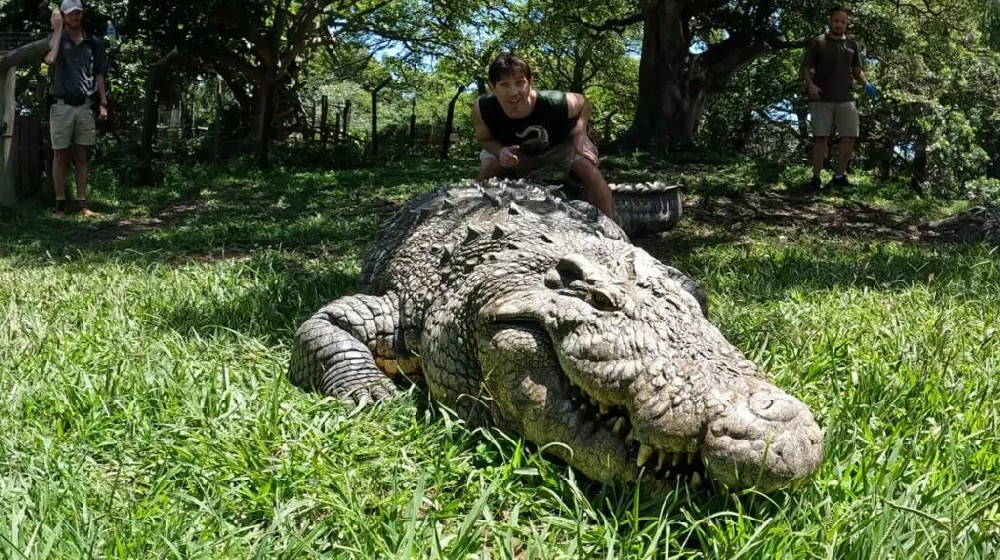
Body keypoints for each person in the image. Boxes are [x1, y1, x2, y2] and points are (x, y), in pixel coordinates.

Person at [473, 53, 614, 218]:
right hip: (515, 152)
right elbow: (484, 138)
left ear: (531, 82)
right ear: (493, 87)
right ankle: (480, 218)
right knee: (487, 168)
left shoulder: (554, 102)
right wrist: (500, 152)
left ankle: (609, 227)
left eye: (520, 83)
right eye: (504, 84)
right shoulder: (483, 107)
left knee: (589, 172)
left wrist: (580, 132)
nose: (513, 92)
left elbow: (583, 102)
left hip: (559, 147)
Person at [44, 0, 109, 216]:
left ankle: (82, 204)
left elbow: (99, 74)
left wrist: (103, 103)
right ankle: (60, 203)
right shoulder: (56, 39)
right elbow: (50, 59)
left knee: (82, 155)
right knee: (60, 154)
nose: (75, 17)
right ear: (63, 15)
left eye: (78, 13)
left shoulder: (93, 43)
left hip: (85, 105)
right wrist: (57, 29)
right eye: (71, 14)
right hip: (61, 106)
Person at [801, 6, 877, 191]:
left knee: (850, 136)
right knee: (821, 137)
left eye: (843, 22)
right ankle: (816, 178)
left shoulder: (852, 45)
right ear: (830, 21)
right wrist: (810, 86)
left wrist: (866, 84)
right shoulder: (817, 42)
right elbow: (806, 68)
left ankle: (839, 176)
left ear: (847, 24)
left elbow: (857, 71)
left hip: (846, 98)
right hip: (821, 99)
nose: (839, 24)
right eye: (836, 21)